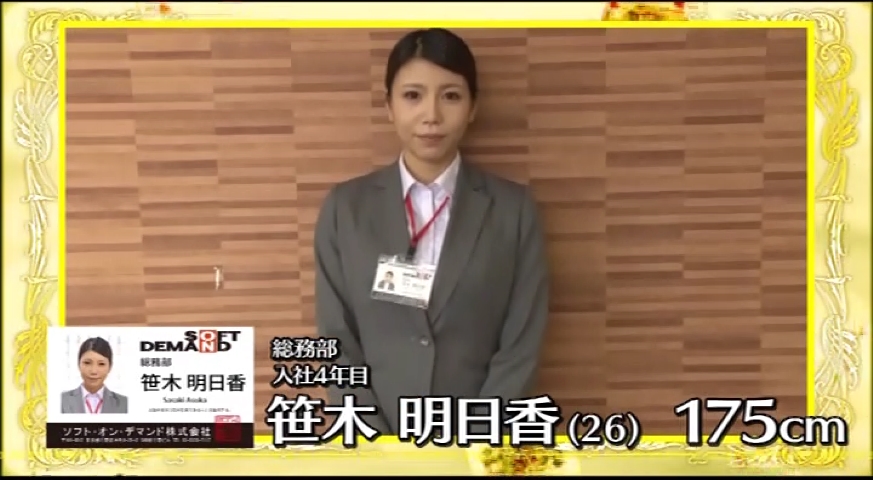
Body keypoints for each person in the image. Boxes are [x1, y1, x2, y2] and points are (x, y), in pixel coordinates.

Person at [315, 28, 549, 434]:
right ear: (388, 106)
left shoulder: (514, 210)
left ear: (473, 107)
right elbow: (337, 341)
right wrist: (380, 447)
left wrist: (476, 439)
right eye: (413, 95)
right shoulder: (344, 210)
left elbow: (521, 345)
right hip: (378, 444)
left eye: (451, 96)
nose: (431, 115)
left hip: (480, 442)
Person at [61, 337, 128, 414]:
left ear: (110, 367)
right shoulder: (61, 401)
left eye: (101, 364)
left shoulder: (125, 404)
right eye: (87, 363)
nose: (93, 371)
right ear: (79, 364)